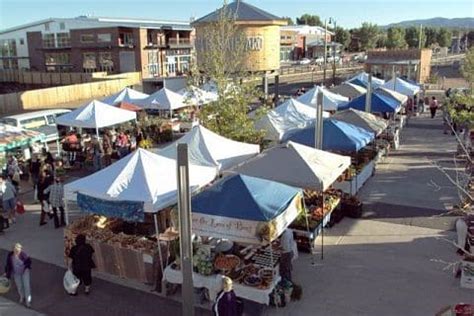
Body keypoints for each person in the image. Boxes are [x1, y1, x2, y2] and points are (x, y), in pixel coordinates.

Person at [5, 243, 32, 308]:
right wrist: (8, 275)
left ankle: (28, 301)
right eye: (15, 251)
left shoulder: (24, 255)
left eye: (18, 251)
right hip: (16, 273)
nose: (17, 252)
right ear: (13, 250)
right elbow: (8, 265)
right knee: (19, 286)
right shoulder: (10, 255)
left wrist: (25, 267)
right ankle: (22, 296)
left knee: (26, 286)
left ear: (20, 250)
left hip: (24, 272)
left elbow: (29, 262)